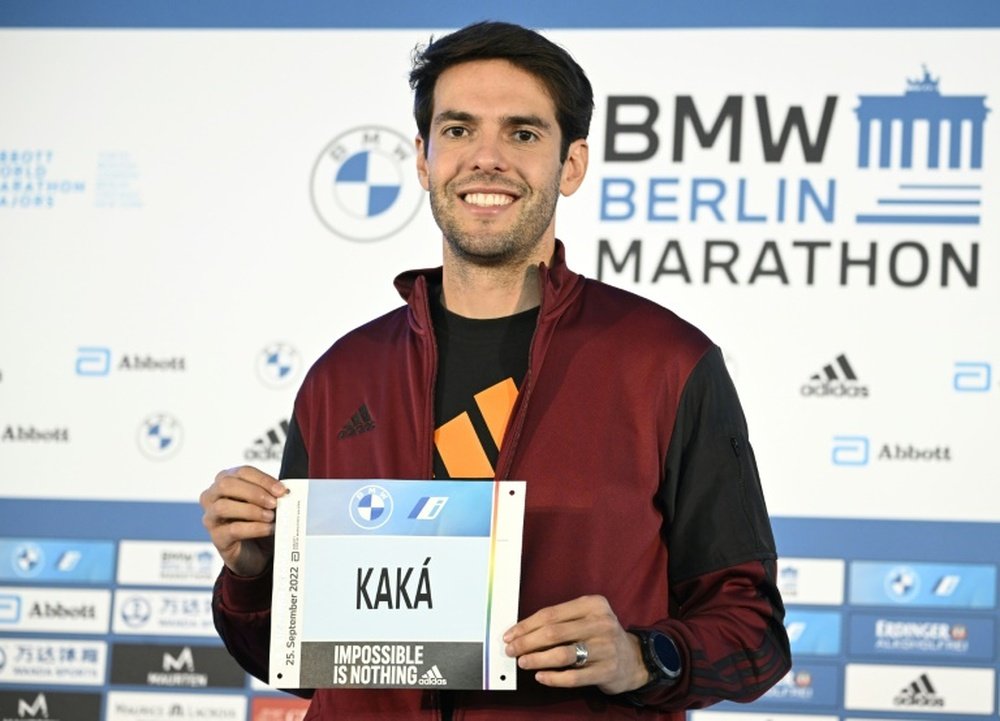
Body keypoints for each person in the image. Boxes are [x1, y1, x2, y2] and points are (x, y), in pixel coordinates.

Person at [200, 20, 791, 720]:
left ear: (571, 165)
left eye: (522, 133)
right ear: (422, 159)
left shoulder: (667, 363)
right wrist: (251, 573)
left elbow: (754, 631)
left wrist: (641, 655)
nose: (486, 158)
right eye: (457, 130)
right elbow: (290, 659)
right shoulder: (343, 376)